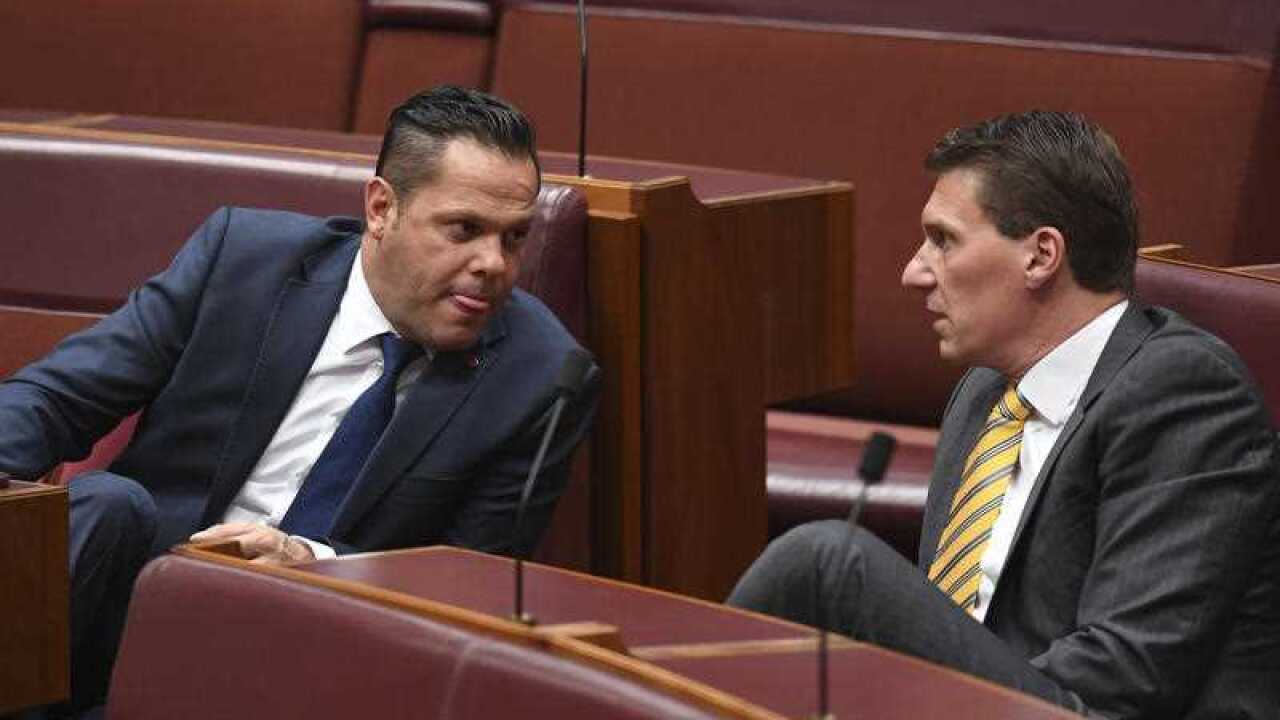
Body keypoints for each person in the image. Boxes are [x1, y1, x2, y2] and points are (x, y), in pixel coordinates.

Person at [0, 86, 598, 713]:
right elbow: (54, 397)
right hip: (128, 605)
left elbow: (472, 585)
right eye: (464, 230)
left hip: (315, 661)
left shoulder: (542, 377)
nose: (493, 264)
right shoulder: (242, 261)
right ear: (381, 208)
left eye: (514, 238)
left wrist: (311, 564)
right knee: (103, 504)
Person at [728, 111, 1279, 718]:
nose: (913, 272)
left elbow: (1122, 682)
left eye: (943, 240)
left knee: (830, 565)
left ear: (1041, 255)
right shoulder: (984, 392)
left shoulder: (1183, 393)